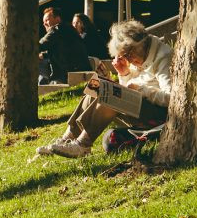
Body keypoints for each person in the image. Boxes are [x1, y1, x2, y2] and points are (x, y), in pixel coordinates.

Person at [36, 19, 173, 158]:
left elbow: (170, 98)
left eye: (126, 55)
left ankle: (83, 144)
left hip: (158, 115)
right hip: (141, 106)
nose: (128, 60)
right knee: (95, 87)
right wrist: (124, 73)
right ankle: (67, 138)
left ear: (135, 47)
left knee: (112, 97)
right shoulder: (139, 54)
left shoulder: (163, 57)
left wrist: (142, 90)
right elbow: (130, 88)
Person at [39, 7, 91, 84]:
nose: (44, 24)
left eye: (47, 20)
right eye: (43, 22)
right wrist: (43, 55)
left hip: (68, 73)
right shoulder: (67, 29)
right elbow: (65, 51)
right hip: (78, 70)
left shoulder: (57, 29)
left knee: (31, 61)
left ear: (57, 19)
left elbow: (39, 46)